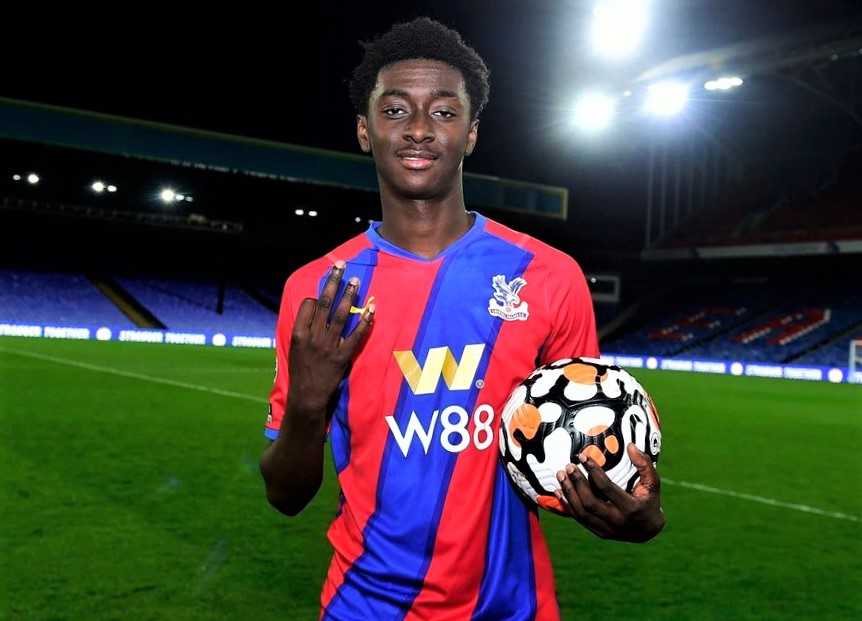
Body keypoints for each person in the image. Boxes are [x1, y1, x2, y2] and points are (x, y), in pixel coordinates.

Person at [259, 17, 664, 620]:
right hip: (364, 607)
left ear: (471, 133)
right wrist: (309, 401)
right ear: (364, 131)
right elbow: (286, 495)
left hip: (513, 607)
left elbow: (592, 441)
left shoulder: (549, 277)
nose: (419, 130)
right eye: (395, 111)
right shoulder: (319, 290)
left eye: (444, 113)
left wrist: (639, 511)